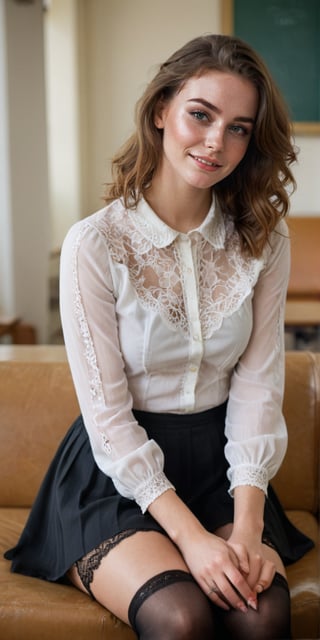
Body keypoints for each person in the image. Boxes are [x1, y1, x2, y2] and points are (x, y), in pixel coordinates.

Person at [5, 34, 314, 639]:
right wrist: (193, 540)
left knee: (263, 615)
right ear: (161, 111)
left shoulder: (263, 242)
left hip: (228, 470)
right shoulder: (94, 244)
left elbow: (258, 387)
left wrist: (245, 529)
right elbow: (108, 419)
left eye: (239, 128)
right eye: (201, 115)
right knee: (182, 618)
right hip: (117, 475)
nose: (215, 143)